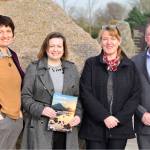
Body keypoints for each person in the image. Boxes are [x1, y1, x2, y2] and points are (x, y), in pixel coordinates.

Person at [79, 24, 141, 149]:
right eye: (105, 38)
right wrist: (105, 116)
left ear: (119, 41)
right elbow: (86, 93)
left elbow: (135, 95)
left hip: (120, 128)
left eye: (113, 38)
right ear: (100, 41)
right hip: (95, 127)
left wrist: (118, 118)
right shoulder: (91, 64)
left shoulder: (129, 66)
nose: (109, 42)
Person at [21, 32, 82, 149]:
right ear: (46, 48)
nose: (55, 49)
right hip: (40, 126)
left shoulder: (72, 68)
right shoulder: (34, 68)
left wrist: (78, 116)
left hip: (66, 128)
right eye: (52, 46)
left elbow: (77, 98)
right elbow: (25, 96)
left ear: (64, 49)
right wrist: (41, 109)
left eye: (59, 46)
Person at [0, 15, 24, 149]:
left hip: (15, 119)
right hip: (2, 120)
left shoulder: (12, 55)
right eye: (0, 31)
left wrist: (19, 112)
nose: (5, 35)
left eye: (8, 31)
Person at [132, 23, 150, 149]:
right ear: (146, 38)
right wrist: (141, 113)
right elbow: (129, 92)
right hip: (144, 124)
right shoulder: (134, 62)